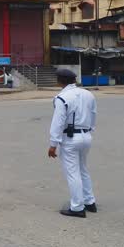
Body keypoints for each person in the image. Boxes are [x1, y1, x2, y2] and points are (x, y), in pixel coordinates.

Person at [49, 68, 97, 218]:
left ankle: (77, 207)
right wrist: (89, 130)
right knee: (83, 169)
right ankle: (90, 202)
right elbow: (93, 114)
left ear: (59, 81)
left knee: (72, 173)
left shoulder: (62, 97)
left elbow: (58, 122)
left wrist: (53, 144)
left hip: (70, 138)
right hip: (86, 136)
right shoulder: (88, 94)